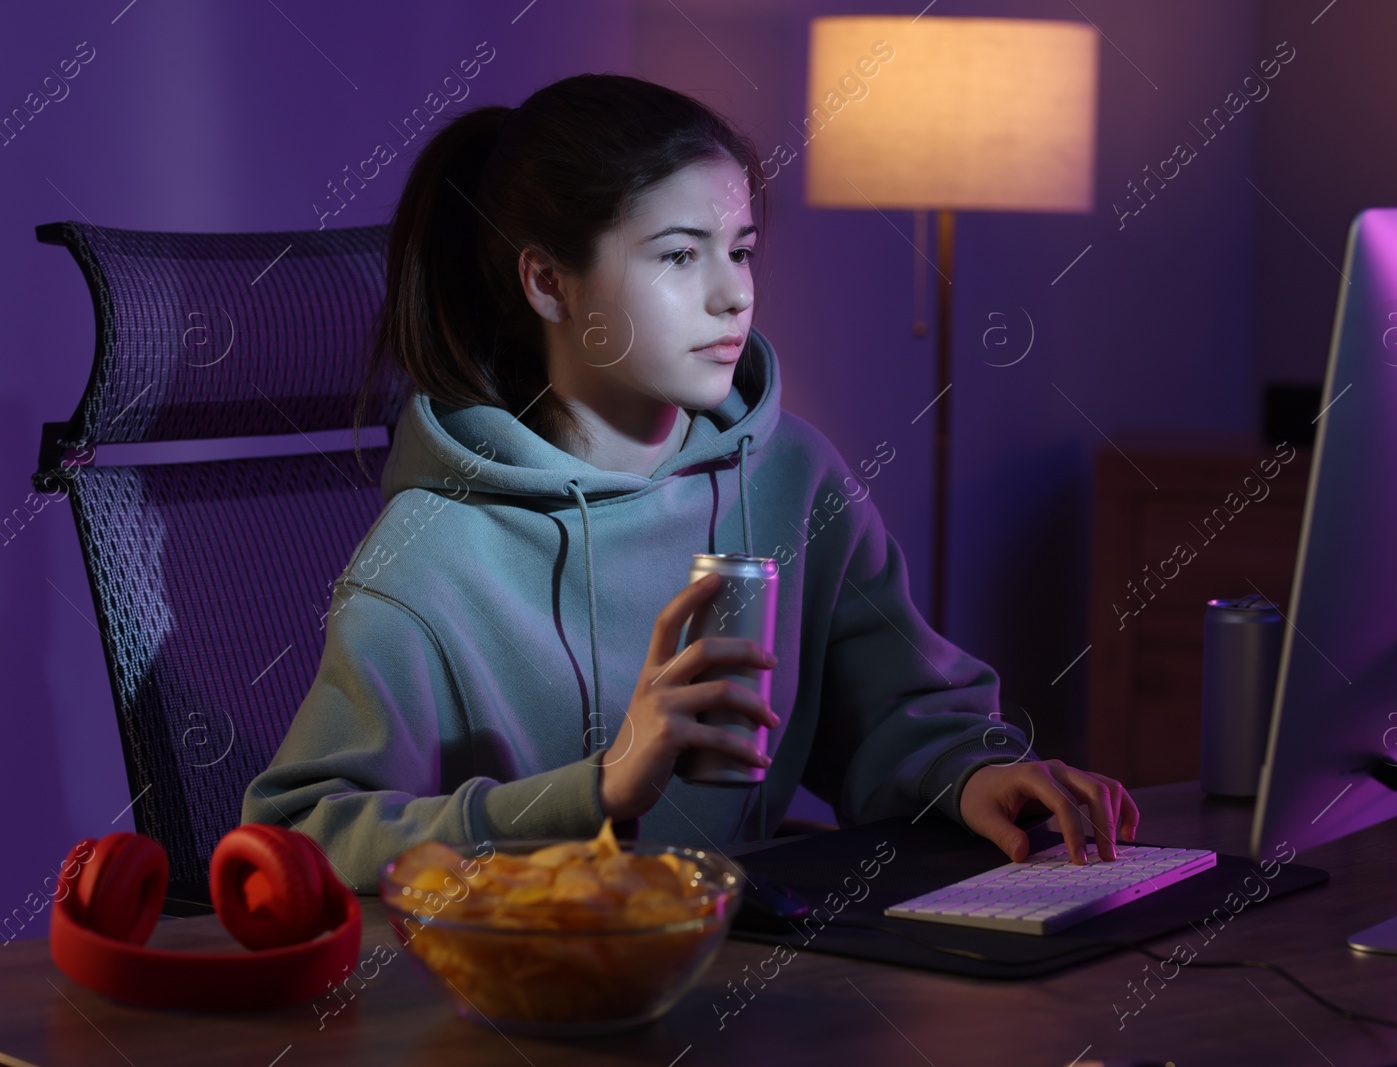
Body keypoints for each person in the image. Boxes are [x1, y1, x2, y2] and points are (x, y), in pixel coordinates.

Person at [240, 73, 1137, 894]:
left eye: (740, 250)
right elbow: (300, 835)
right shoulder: (429, 555)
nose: (733, 295)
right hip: (531, 1010)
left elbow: (895, 712)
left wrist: (972, 772)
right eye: (678, 255)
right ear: (549, 282)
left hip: (766, 983)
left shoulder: (794, 473)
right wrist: (594, 790)